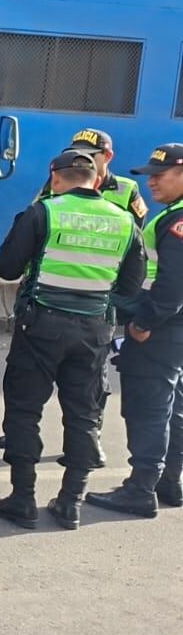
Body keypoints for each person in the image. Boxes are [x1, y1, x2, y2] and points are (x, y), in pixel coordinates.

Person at [0, 149, 144, 530]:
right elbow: (131, 286)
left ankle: (23, 498)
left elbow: (6, 268)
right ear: (97, 180)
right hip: (94, 329)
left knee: (24, 410)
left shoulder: (44, 212)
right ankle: (71, 502)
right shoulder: (124, 221)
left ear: (55, 177)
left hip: (41, 326)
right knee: (84, 414)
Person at [87, 144, 183, 517]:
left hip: (160, 330)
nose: (152, 182)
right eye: (149, 175)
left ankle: (140, 489)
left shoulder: (175, 222)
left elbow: (174, 285)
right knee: (171, 406)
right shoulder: (173, 215)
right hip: (171, 329)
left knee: (149, 408)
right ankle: (167, 482)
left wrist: (143, 324)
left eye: (161, 175)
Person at [37, 129, 149, 223]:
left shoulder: (127, 189)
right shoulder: (59, 179)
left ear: (108, 156)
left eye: (89, 155)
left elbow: (135, 231)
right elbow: (37, 216)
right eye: (76, 154)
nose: (83, 159)